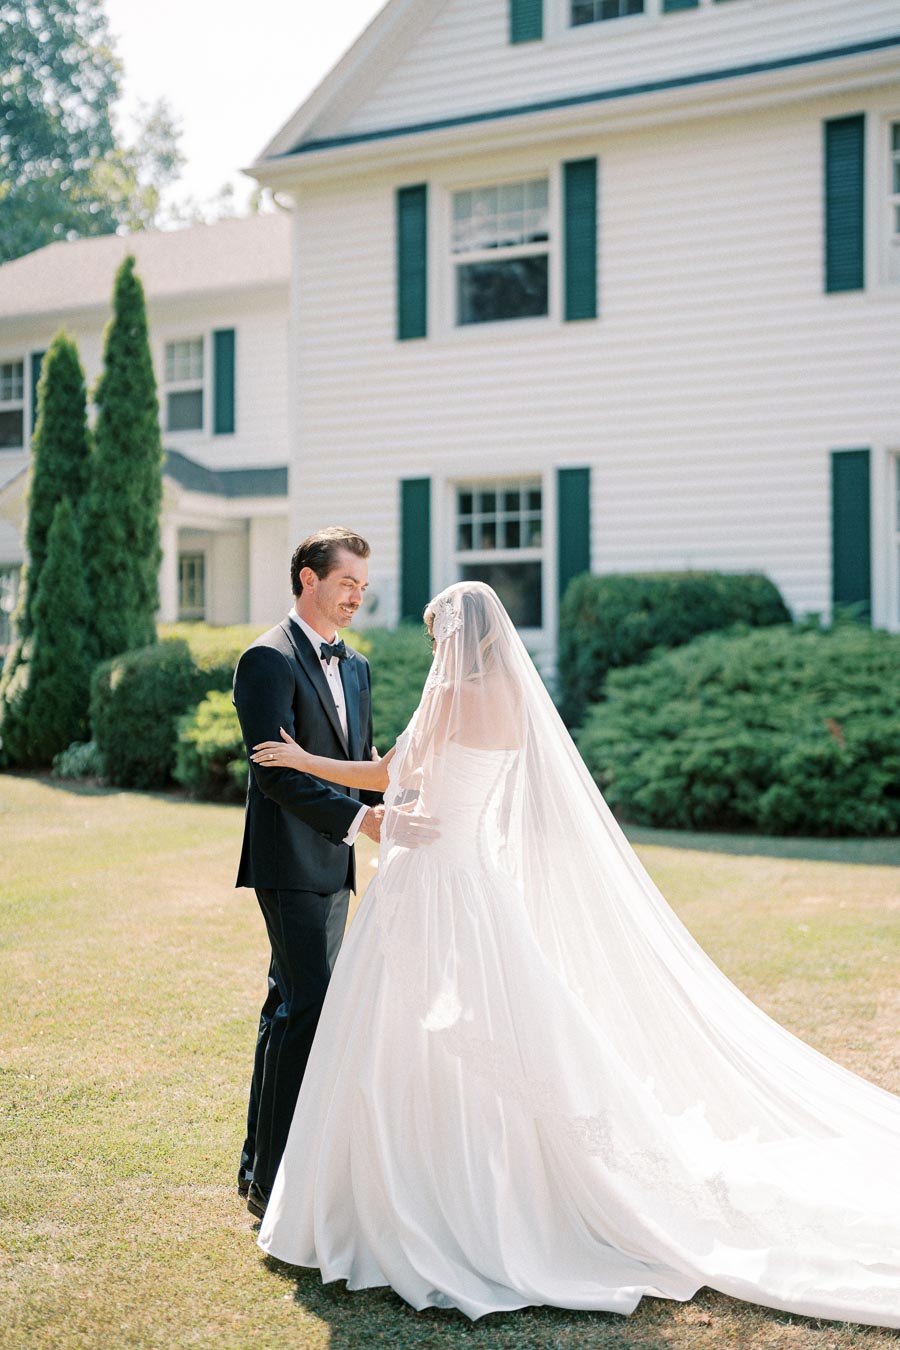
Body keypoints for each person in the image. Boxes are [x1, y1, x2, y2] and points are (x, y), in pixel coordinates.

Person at [249, 580, 900, 1328]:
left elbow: (389, 775)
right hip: (476, 876)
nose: (434, 653)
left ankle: (419, 1199)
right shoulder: (517, 700)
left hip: (430, 877)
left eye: (437, 640)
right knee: (503, 1026)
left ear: (457, 641)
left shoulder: (452, 696)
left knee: (410, 1033)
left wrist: (302, 757)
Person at [232, 526, 384, 1220]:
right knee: (310, 1007)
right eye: (347, 581)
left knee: (285, 1005)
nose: (357, 595)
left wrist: (393, 808)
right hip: (288, 860)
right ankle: (276, 1180)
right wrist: (361, 823)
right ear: (308, 579)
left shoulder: (357, 667)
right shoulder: (265, 659)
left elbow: (361, 760)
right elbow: (275, 773)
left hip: (336, 865)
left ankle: (255, 1164)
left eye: (361, 584)